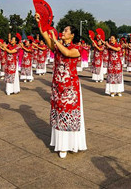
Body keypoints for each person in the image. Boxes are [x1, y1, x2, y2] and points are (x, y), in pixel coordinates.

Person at [36, 13, 86, 159]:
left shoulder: (77, 48)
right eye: (63, 30)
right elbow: (46, 38)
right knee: (58, 113)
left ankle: (69, 145)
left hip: (70, 88)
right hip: (58, 86)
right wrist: (41, 24)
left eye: (65, 31)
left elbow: (67, 52)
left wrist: (55, 40)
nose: (63, 32)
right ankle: (60, 144)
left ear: (72, 35)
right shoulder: (58, 46)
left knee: (68, 114)